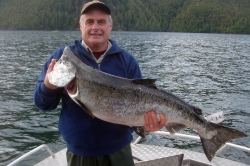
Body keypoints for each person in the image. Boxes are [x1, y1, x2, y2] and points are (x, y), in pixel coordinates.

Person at [34, 0, 166, 165]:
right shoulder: (63, 58)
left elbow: (141, 104)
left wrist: (149, 123)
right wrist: (48, 85)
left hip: (119, 152)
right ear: (80, 26)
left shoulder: (127, 61)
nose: (95, 27)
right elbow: (42, 104)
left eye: (101, 22)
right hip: (79, 153)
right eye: (89, 22)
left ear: (110, 26)